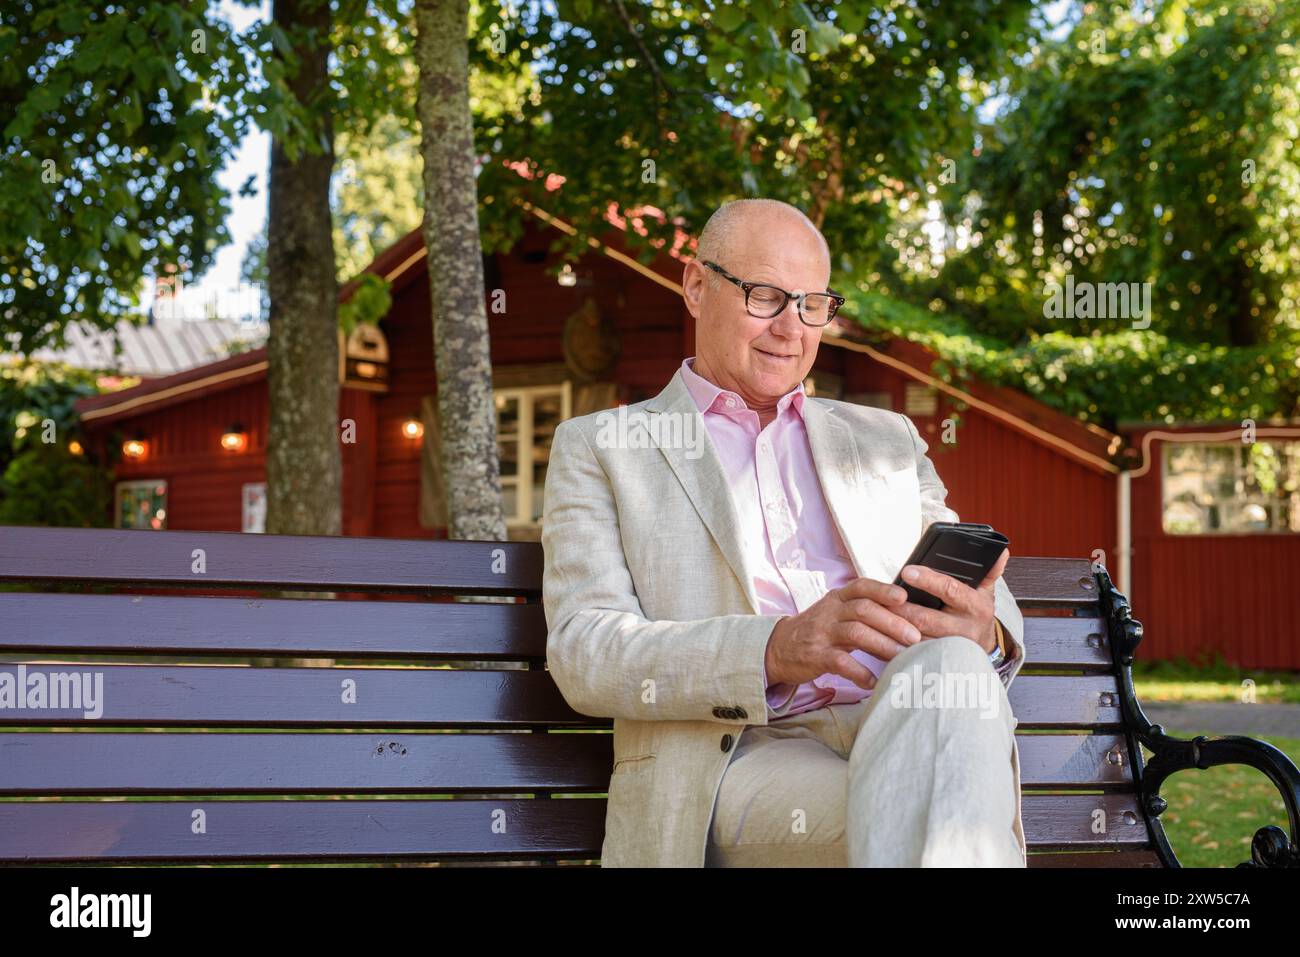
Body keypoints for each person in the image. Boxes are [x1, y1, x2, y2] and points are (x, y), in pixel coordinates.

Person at [540, 198, 1026, 867]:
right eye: (765, 296)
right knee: (947, 818)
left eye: (812, 304)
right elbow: (584, 651)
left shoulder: (885, 438)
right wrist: (774, 647)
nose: (790, 328)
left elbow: (985, 589)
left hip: (907, 715)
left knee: (951, 667)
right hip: (738, 754)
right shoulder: (605, 446)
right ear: (695, 285)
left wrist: (983, 629)